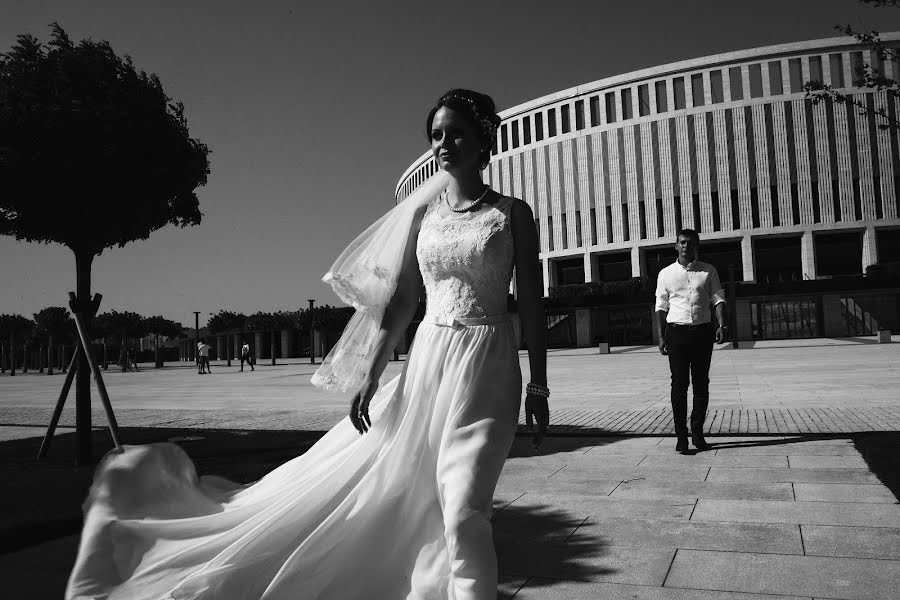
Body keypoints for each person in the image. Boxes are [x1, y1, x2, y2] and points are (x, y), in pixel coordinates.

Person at [65, 89, 549, 600]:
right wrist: (371, 370)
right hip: (428, 365)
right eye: (435, 134)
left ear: (482, 140)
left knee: (465, 505)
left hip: (489, 366)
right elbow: (403, 303)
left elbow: (533, 306)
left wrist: (537, 386)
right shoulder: (422, 218)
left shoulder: (512, 214)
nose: (443, 143)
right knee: (423, 503)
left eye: (455, 132)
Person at [655, 228, 727, 453]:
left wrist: (721, 324)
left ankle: (697, 433)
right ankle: (681, 436)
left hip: (703, 334)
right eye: (682, 242)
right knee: (679, 385)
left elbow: (718, 300)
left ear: (697, 246)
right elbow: (660, 307)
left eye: (690, 243)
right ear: (676, 246)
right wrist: (660, 336)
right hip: (676, 335)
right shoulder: (665, 273)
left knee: (701, 385)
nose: (686, 246)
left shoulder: (708, 271)